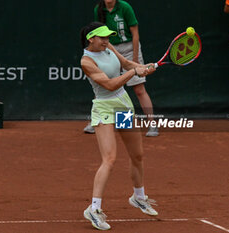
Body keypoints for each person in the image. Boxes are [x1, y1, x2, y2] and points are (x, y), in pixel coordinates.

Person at [80, 22, 158, 231]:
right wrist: (135, 74)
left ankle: (139, 197)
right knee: (110, 158)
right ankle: (94, 209)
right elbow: (110, 84)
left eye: (108, 37)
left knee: (137, 155)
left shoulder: (109, 48)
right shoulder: (87, 62)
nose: (107, 41)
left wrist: (142, 68)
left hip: (123, 105)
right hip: (105, 109)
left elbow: (125, 63)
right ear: (91, 39)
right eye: (102, 37)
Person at [84, 0, 159, 136]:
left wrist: (137, 61)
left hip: (128, 47)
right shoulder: (99, 9)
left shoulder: (125, 7)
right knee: (102, 86)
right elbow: (97, 33)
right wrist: (135, 69)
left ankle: (152, 124)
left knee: (139, 89)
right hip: (108, 46)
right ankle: (96, 120)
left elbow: (135, 34)